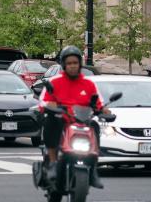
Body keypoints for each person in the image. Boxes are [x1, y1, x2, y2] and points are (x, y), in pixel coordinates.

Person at [38, 46, 110, 189]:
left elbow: (97, 103)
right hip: (62, 120)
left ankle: (93, 169)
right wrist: (51, 106)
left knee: (95, 126)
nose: (72, 66)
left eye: (75, 63)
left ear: (80, 64)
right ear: (64, 65)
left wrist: (103, 110)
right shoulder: (55, 82)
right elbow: (44, 102)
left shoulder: (89, 84)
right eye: (69, 63)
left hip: (82, 121)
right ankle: (53, 162)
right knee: (51, 121)